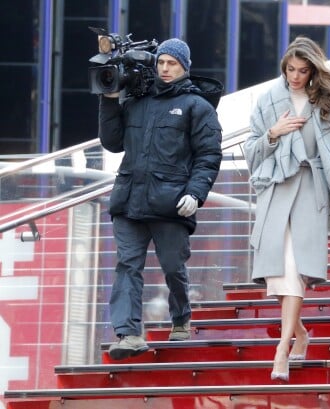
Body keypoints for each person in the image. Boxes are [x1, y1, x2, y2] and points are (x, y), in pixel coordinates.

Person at [244, 36, 330, 382]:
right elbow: (251, 149)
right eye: (290, 69)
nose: (295, 76)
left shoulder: (329, 101)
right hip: (276, 189)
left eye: (302, 70)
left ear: (313, 70)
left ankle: (282, 347)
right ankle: (301, 333)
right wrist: (274, 134)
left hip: (310, 190)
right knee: (277, 273)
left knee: (294, 267)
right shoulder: (267, 99)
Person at [98, 38, 224, 360]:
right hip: (129, 200)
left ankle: (180, 316)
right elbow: (112, 143)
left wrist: (196, 194)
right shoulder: (136, 100)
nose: (165, 69)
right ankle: (128, 334)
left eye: (172, 63)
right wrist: (110, 99)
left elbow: (208, 156)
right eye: (161, 62)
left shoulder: (198, 107)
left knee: (172, 266)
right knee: (127, 265)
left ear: (185, 67)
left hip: (171, 204)